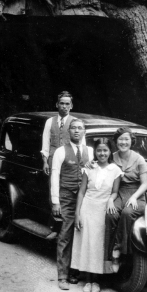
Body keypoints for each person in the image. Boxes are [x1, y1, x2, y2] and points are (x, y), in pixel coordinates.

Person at [72, 138, 122, 292]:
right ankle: (87, 280)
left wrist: (111, 201)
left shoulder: (115, 170)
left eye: (105, 150)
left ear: (110, 152)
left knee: (98, 244)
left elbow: (114, 192)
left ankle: (97, 280)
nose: (102, 153)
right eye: (99, 150)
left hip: (102, 208)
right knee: (87, 243)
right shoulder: (89, 168)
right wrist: (77, 213)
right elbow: (81, 191)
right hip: (88, 206)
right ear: (95, 152)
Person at [50, 118, 94, 290]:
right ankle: (62, 275)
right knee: (66, 233)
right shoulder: (61, 151)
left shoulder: (89, 151)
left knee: (81, 232)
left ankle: (75, 272)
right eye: (73, 128)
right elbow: (54, 176)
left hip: (84, 197)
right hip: (66, 196)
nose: (76, 131)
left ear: (84, 131)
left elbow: (92, 173)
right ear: (69, 131)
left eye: (80, 128)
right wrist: (55, 201)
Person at [40, 91, 84, 239]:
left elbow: (82, 145)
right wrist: (45, 160)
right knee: (53, 190)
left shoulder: (75, 122)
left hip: (69, 162)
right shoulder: (49, 122)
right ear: (57, 104)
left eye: (67, 104)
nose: (64, 106)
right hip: (53, 160)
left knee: (66, 193)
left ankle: (63, 228)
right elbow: (45, 143)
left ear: (71, 106)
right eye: (62, 103)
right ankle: (53, 226)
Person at [104, 127, 147, 271]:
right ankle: (105, 256)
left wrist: (135, 197)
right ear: (116, 141)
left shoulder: (139, 159)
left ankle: (117, 251)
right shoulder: (112, 157)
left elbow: (145, 184)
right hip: (118, 192)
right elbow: (99, 167)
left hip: (137, 194)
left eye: (126, 139)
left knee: (127, 213)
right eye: (121, 139)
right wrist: (110, 199)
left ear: (131, 141)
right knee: (110, 214)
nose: (123, 142)